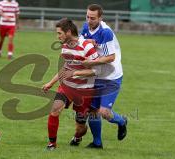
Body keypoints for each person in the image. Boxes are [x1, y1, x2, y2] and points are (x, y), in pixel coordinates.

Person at [72, 4, 128, 148]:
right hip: (96, 75)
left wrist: (91, 62)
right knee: (92, 110)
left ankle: (121, 121)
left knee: (104, 112)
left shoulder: (105, 32)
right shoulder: (85, 27)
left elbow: (110, 57)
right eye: (87, 17)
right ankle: (97, 143)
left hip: (111, 76)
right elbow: (81, 45)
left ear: (100, 18)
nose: (89, 20)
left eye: (93, 18)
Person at [42, 18, 100, 150]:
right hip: (66, 87)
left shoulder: (87, 46)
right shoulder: (64, 47)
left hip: (84, 90)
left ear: (68, 32)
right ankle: (52, 144)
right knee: (54, 110)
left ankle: (78, 136)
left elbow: (95, 71)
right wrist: (51, 83)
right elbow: (65, 68)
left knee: (80, 127)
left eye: (59, 33)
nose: (58, 36)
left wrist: (75, 73)